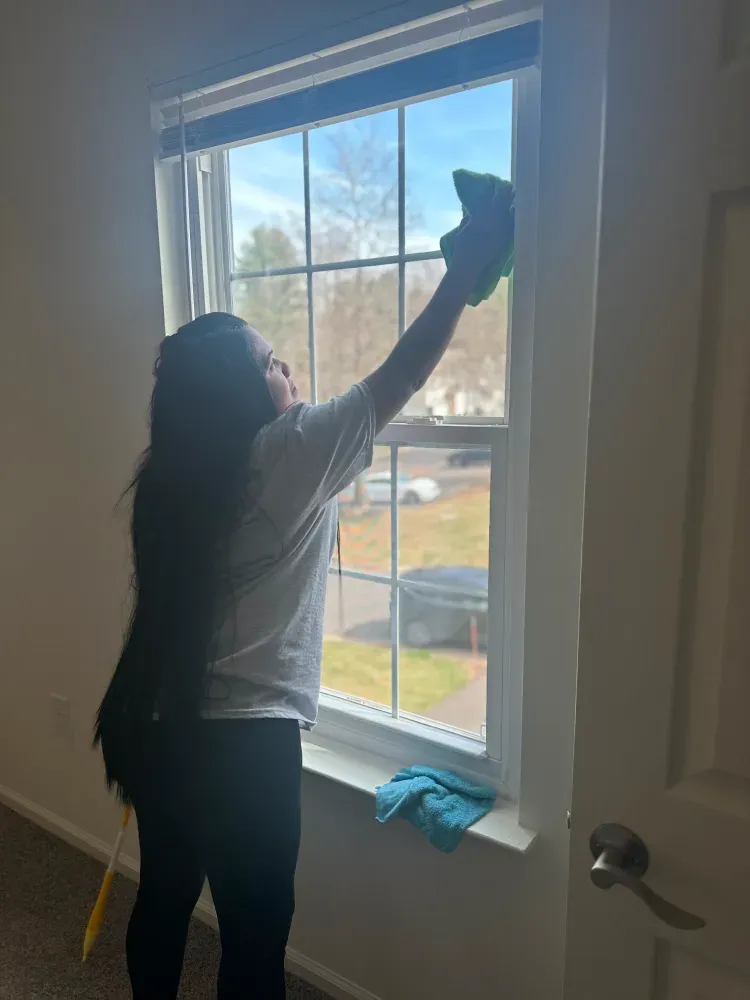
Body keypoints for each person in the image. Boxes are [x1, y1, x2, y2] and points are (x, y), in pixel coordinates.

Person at [94, 192, 513, 999]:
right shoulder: (284, 452)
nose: (287, 369)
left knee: (167, 898)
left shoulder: (169, 475)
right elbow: (405, 373)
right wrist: (466, 268)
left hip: (153, 723)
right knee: (254, 941)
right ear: (238, 393)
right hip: (241, 750)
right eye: (270, 361)